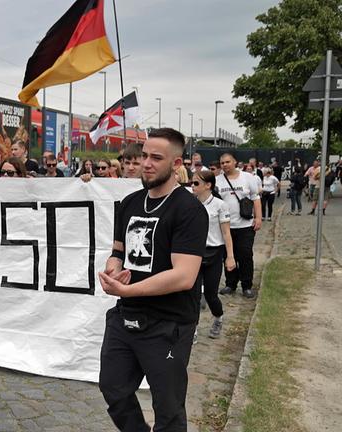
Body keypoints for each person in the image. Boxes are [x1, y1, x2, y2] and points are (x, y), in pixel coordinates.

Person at [98, 128, 208, 431]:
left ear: (176, 164)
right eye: (144, 155)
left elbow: (184, 276)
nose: (146, 163)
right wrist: (112, 269)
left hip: (168, 325)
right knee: (114, 390)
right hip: (125, 317)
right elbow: (118, 251)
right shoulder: (131, 203)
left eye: (156, 158)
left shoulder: (189, 210)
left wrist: (129, 289)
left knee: (168, 408)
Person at [191, 170, 236, 339]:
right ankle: (192, 329)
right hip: (194, 254)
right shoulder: (190, 203)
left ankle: (218, 317)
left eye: (196, 183)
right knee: (193, 294)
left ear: (208, 185)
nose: (192, 186)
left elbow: (226, 233)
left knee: (210, 294)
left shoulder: (220, 205)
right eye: (192, 183)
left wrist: (230, 257)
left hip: (214, 253)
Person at [216, 153, 262, 299]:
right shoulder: (217, 180)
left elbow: (255, 197)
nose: (225, 165)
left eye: (227, 162)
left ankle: (247, 286)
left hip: (245, 225)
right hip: (225, 227)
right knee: (228, 256)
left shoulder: (248, 178)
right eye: (222, 163)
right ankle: (230, 283)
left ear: (235, 162)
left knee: (245, 255)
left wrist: (258, 217)